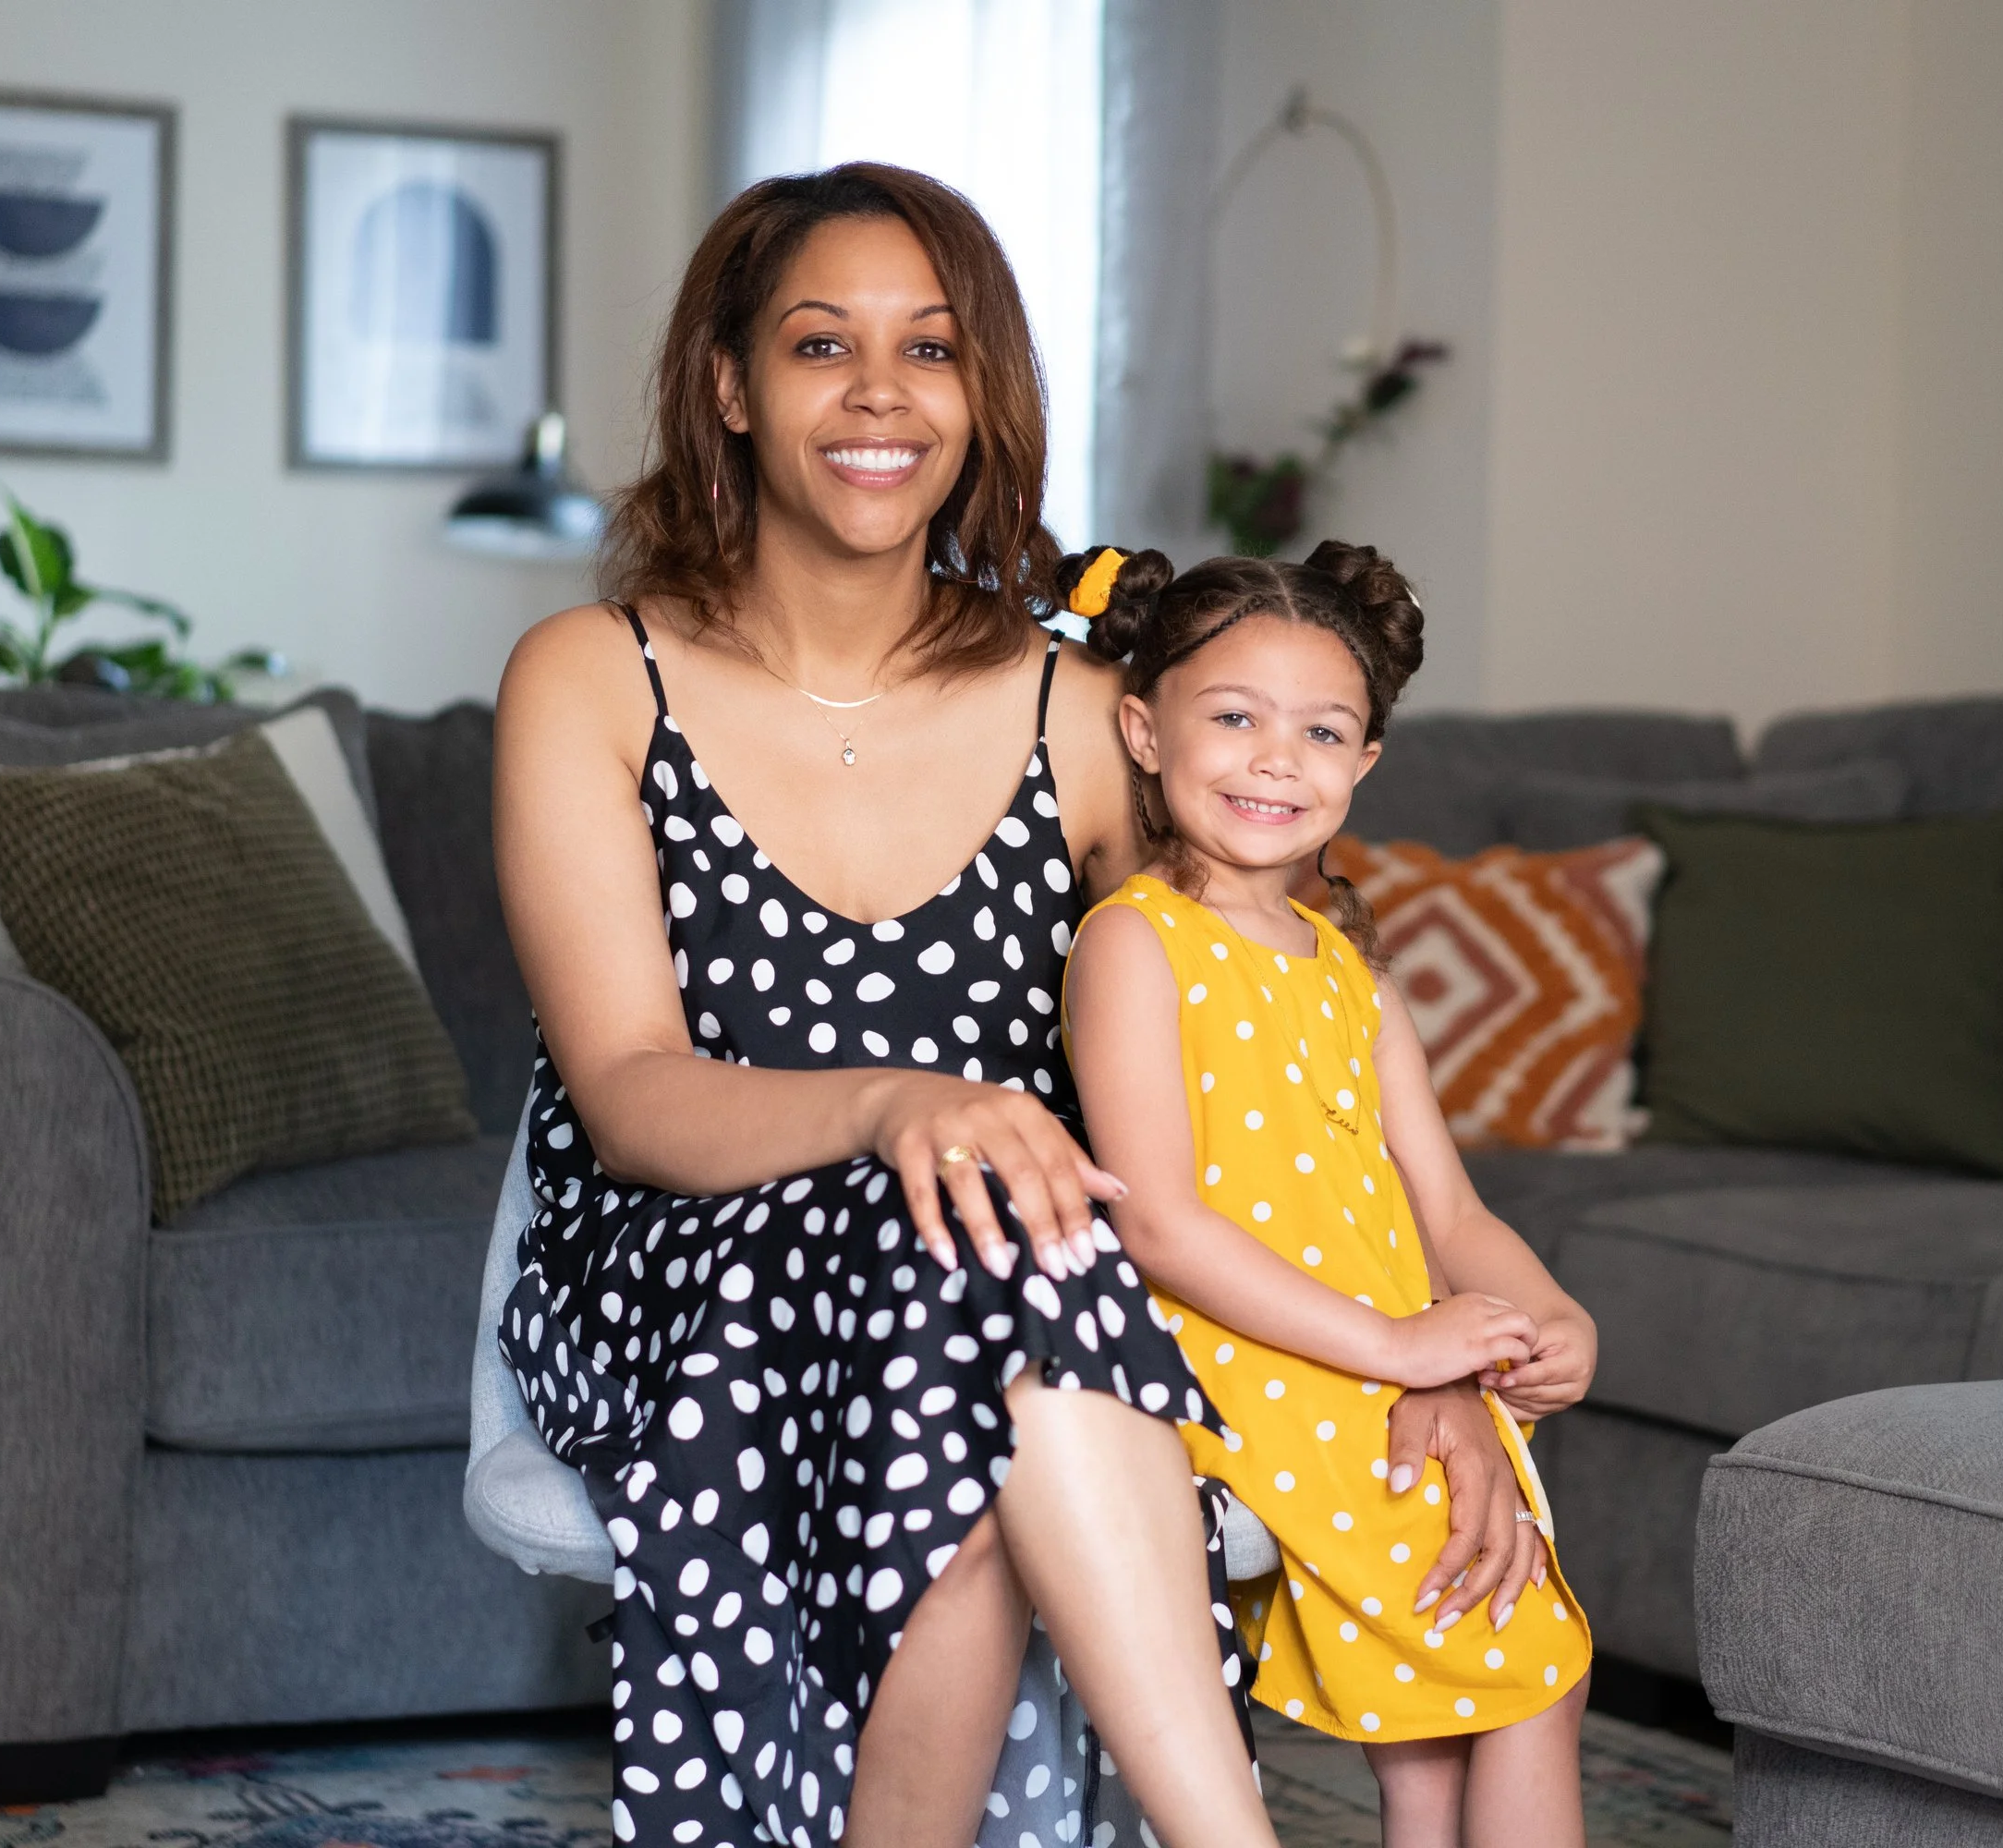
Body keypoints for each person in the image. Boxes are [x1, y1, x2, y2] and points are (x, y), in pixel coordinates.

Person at [492, 160, 1548, 1848]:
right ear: (729, 388)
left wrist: (1440, 1371)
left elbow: (1276, 1070)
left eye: (932, 350)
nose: (878, 397)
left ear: (982, 395)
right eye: (821, 346)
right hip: (689, 1253)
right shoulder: (593, 674)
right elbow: (626, 1088)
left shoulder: (1082, 707)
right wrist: (894, 1103)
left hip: (1014, 1272)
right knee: (972, 1256)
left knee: (975, 1288)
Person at [1059, 541, 1597, 1848]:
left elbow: (1453, 1215)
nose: (1272, 759)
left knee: (1431, 1746)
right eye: (1232, 718)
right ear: (1144, 728)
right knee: (1536, 1670)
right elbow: (1161, 1221)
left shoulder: (1350, 974)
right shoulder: (1133, 941)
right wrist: (1401, 1348)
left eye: (1321, 731)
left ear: (1362, 766)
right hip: (1254, 1356)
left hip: (1383, 1355)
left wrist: (1543, 1312)